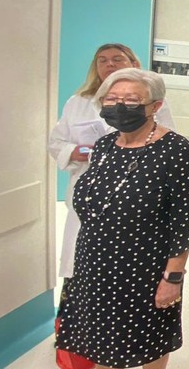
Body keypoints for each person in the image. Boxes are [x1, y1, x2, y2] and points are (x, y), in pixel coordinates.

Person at [56, 68, 189, 369]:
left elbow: (184, 222)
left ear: (155, 106)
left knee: (149, 338)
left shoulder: (176, 151)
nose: (119, 106)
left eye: (131, 100)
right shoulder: (106, 146)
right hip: (94, 262)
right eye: (112, 99)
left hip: (147, 266)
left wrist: (173, 277)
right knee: (100, 337)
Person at [48, 43, 176, 278]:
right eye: (103, 60)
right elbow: (56, 142)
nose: (109, 65)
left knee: (125, 264)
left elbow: (165, 143)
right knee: (81, 260)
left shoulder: (152, 103)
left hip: (133, 191)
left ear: (133, 64)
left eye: (117, 59)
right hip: (87, 189)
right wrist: (77, 151)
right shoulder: (78, 102)